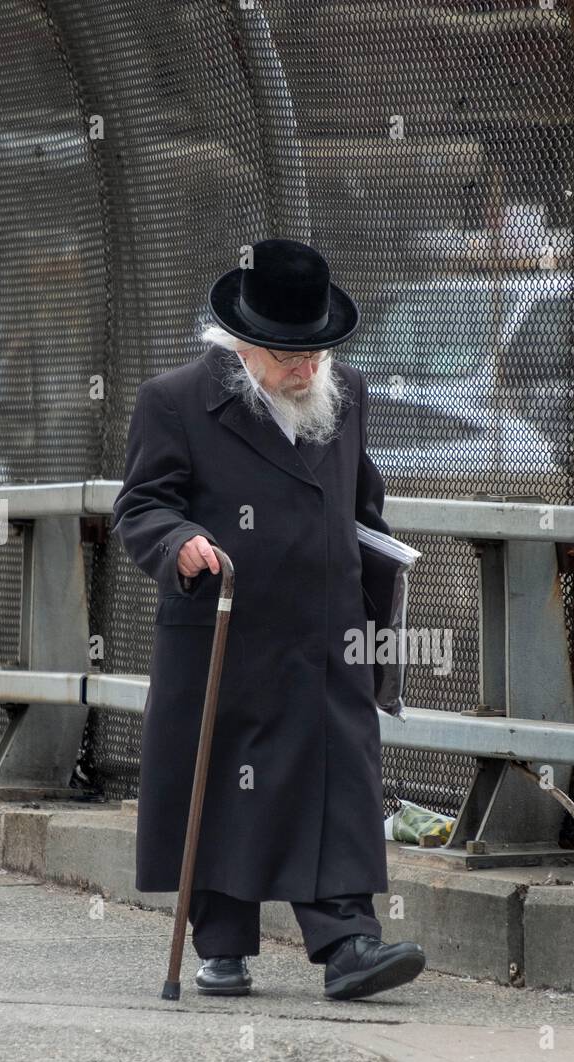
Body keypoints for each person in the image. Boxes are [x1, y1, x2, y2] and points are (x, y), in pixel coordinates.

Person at [110, 238, 426, 1000]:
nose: (305, 368)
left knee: (340, 779)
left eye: (316, 350)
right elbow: (142, 504)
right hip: (227, 629)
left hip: (327, 636)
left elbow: (361, 507)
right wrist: (180, 542)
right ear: (243, 339)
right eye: (288, 353)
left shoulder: (344, 392)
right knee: (226, 782)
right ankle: (222, 945)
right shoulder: (175, 401)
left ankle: (350, 942)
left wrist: (376, 591)